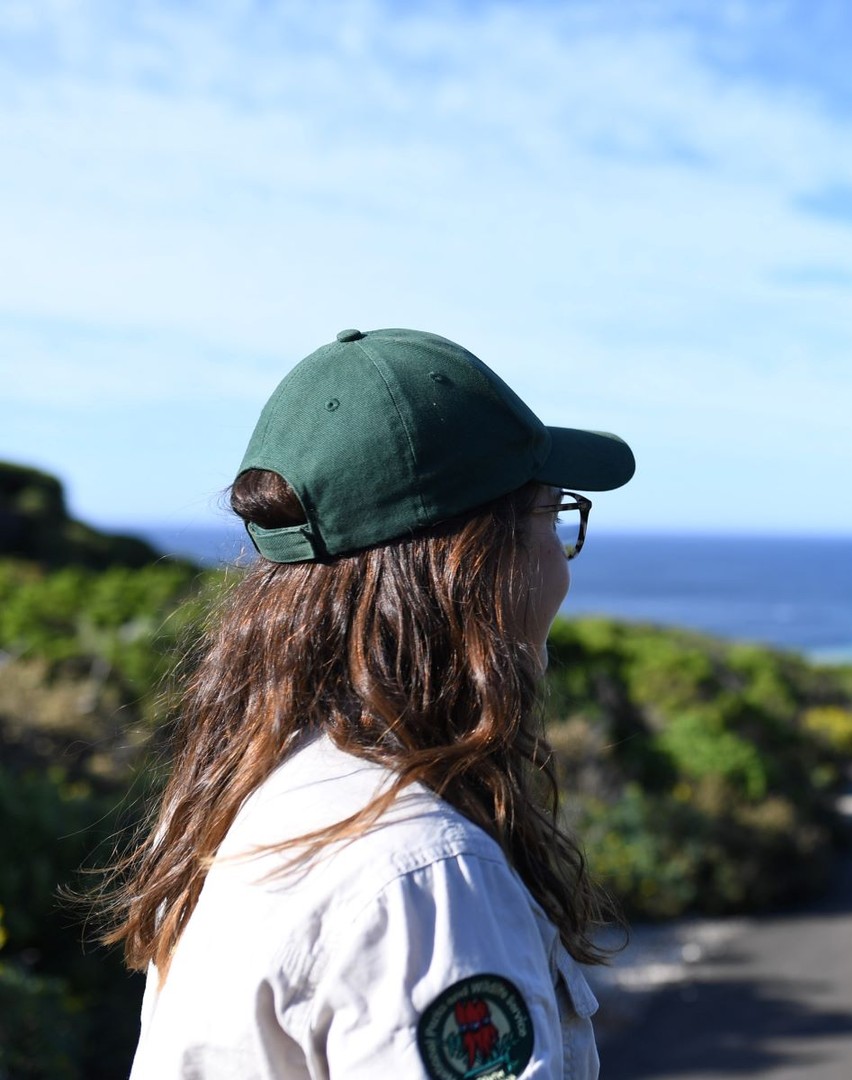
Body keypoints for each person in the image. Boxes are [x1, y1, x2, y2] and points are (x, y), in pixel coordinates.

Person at [104, 327, 635, 1079]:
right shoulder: (424, 879)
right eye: (550, 516)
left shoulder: (249, 802)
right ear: (479, 562)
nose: (561, 562)